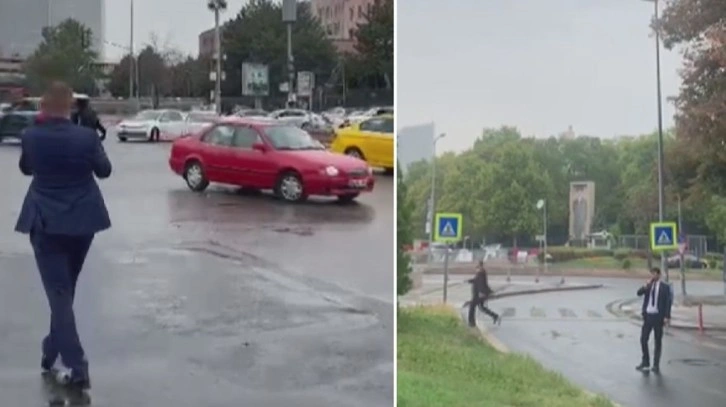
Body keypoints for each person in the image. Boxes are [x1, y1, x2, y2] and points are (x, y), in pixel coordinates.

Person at [15, 81, 112, 394]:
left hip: (45, 222)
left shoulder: (31, 135)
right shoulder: (86, 136)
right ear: (70, 107)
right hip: (83, 222)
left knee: (59, 294)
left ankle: (77, 365)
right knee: (65, 293)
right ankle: (51, 350)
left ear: (43, 106)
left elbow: (26, 169)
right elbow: (105, 170)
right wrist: (92, 142)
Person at [635, 267, 672, 374]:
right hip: (648, 316)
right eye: (651, 274)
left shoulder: (665, 287)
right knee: (643, 339)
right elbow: (638, 293)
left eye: (655, 274)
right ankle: (645, 361)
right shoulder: (648, 285)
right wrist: (644, 286)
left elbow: (667, 302)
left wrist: (667, 316)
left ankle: (656, 364)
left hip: (658, 317)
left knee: (657, 341)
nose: (653, 276)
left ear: (659, 275)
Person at [467, 261, 501, 327]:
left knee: (472, 307)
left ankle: (471, 322)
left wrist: (481, 293)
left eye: (477, 268)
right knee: (482, 308)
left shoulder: (481, 274)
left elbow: (481, 284)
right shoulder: (481, 273)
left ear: (479, 267)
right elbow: (476, 280)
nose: (476, 270)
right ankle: (495, 316)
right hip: (480, 294)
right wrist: (469, 281)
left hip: (478, 294)